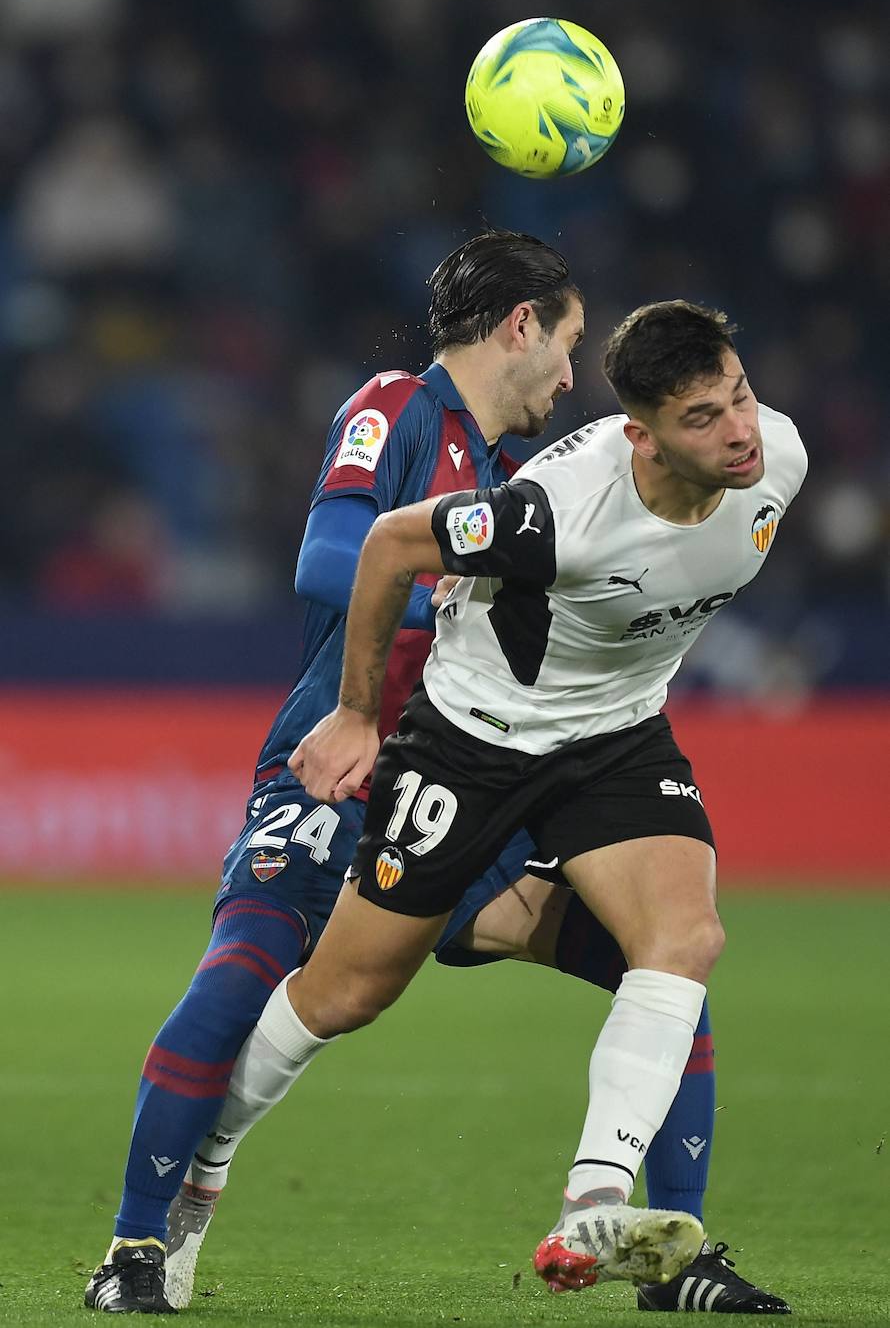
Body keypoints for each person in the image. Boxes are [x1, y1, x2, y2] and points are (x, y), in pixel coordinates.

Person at [83, 238, 790, 1313]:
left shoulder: (550, 476)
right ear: (519, 326)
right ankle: (140, 1244)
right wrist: (475, 597)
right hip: (343, 767)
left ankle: (676, 1256)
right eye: (561, 343)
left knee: (666, 960)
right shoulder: (397, 410)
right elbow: (331, 563)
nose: (570, 375)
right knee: (251, 986)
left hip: (499, 775)